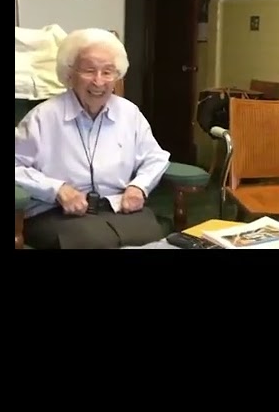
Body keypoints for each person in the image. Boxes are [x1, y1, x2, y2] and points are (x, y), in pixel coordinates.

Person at [15, 28, 171, 248]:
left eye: (107, 72)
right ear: (70, 74)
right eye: (89, 71)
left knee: (154, 242)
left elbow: (155, 157)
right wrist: (57, 190)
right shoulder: (42, 117)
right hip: (58, 213)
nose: (99, 81)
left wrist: (139, 187)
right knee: (92, 243)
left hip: (120, 208)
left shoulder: (129, 113)